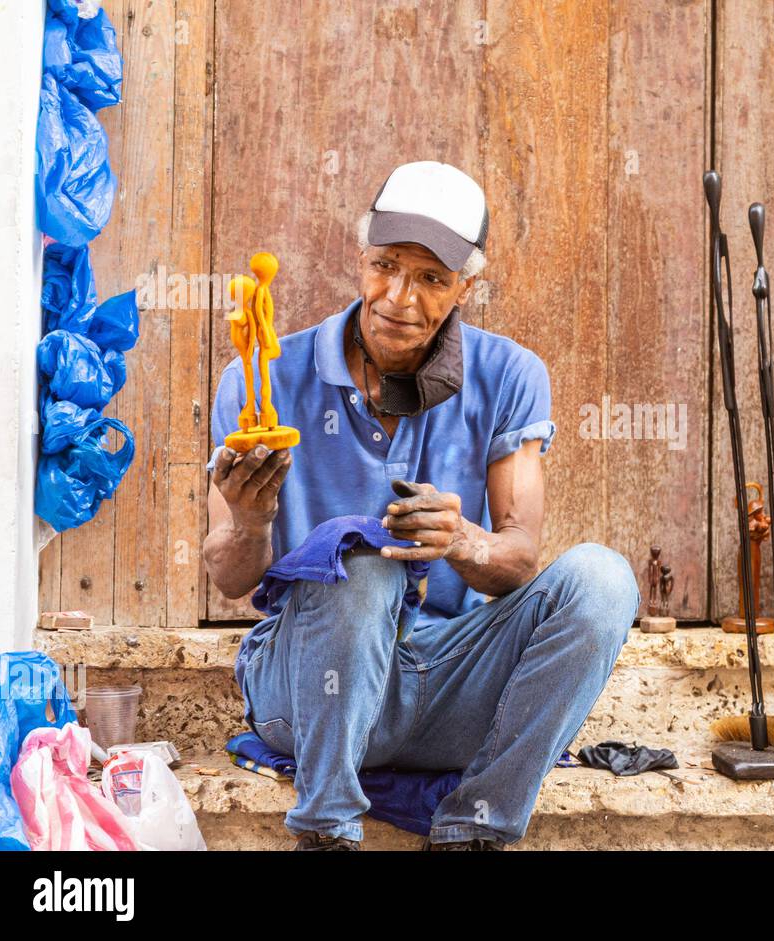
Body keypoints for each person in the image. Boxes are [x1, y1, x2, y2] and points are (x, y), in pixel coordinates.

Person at [202, 161, 639, 850]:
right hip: (310, 693)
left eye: (432, 278)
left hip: (449, 688)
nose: (400, 297)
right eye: (385, 266)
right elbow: (230, 577)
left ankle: (476, 826)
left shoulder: (511, 375)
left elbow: (519, 554)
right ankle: (326, 830)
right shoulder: (263, 376)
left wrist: (465, 540)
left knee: (604, 579)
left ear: (467, 285)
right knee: (363, 562)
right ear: (361, 254)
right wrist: (252, 520)